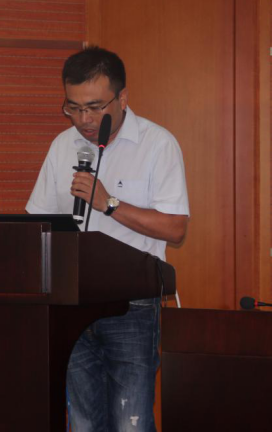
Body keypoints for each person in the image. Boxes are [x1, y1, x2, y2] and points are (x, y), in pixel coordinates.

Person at [26, 46, 190, 431]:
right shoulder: (62, 146)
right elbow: (38, 223)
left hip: (132, 305)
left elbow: (175, 228)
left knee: (131, 422)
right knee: (82, 422)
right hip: (70, 302)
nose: (84, 120)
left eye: (95, 107)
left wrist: (109, 203)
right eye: (73, 107)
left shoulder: (157, 144)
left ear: (122, 98)